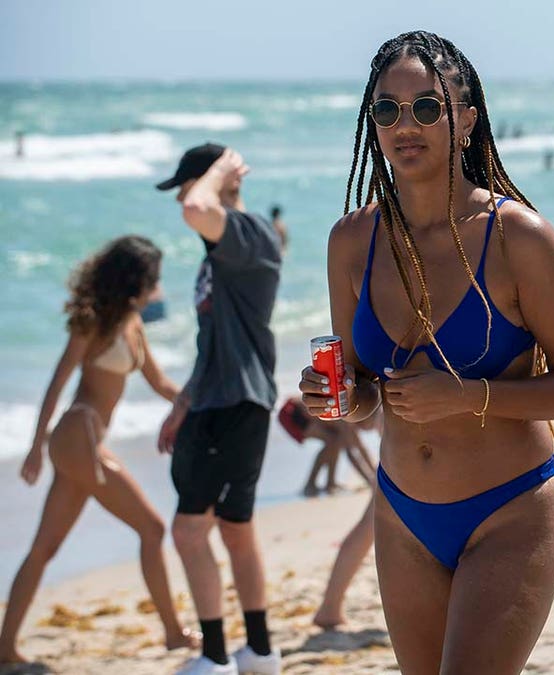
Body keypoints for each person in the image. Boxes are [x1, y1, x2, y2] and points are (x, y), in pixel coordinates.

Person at [297, 31, 554, 673]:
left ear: (465, 118)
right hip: (402, 515)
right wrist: (339, 396)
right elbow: (361, 391)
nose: (405, 125)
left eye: (427, 107)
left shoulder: (516, 236)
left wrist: (469, 396)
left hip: (508, 510)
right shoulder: (351, 241)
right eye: (387, 109)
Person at [0, 236, 196, 665]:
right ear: (136, 280)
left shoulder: (133, 323)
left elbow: (162, 385)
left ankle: (4, 647)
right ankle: (174, 633)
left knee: (43, 548)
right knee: (151, 528)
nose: (157, 287)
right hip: (77, 433)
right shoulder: (92, 323)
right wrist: (35, 446)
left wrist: (199, 403)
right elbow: (57, 382)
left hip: (87, 441)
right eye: (154, 279)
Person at [154, 143, 283, 675]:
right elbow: (214, 343)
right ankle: (259, 651)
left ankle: (212, 658)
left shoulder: (249, 234)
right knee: (234, 530)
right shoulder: (224, 248)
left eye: (190, 182)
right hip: (218, 401)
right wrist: (182, 402)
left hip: (235, 403)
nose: (183, 196)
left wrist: (218, 175)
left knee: (188, 533)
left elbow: (195, 210)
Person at [311, 406, 382, 630]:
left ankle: (330, 607)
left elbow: (359, 448)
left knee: (369, 528)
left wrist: (373, 477)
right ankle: (330, 608)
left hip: (398, 452)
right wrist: (372, 481)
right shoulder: (350, 415)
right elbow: (353, 452)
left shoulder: (364, 409)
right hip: (401, 455)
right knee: (367, 528)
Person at [277, 396, 375, 496]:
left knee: (335, 440)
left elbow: (361, 448)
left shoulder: (350, 414)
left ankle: (330, 483)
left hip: (303, 407)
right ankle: (310, 484)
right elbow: (351, 453)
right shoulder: (346, 420)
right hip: (291, 413)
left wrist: (375, 475)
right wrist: (370, 481)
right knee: (333, 441)